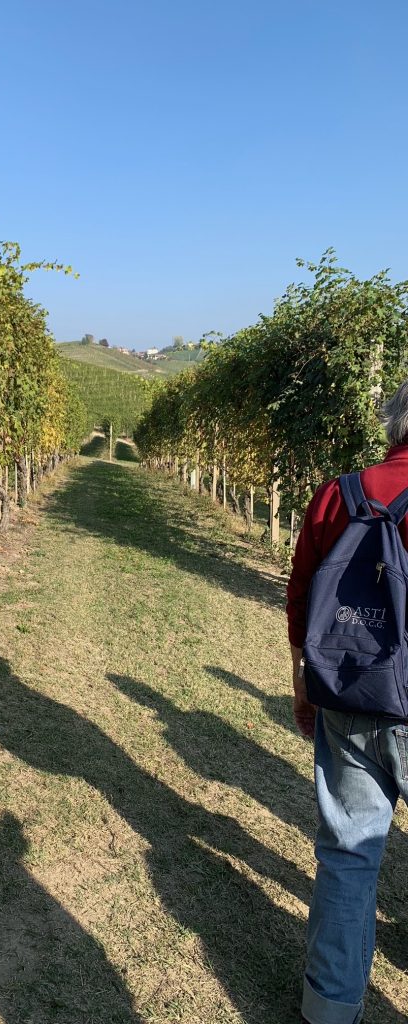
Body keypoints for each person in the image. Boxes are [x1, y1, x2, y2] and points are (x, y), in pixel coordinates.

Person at [287, 380, 408, 1024]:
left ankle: (328, 1008)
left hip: (352, 691)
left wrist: (307, 680)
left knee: (349, 854)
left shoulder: (344, 491)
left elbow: (303, 591)